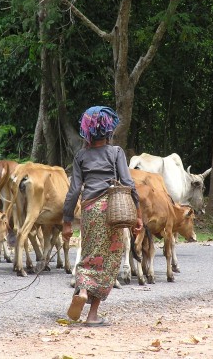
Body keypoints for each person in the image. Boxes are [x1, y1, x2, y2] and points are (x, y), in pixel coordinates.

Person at [62, 105, 143, 326]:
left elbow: (73, 191)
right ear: (108, 131)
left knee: (89, 255)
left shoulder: (80, 156)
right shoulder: (116, 152)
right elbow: (128, 183)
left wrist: (67, 221)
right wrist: (138, 214)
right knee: (109, 260)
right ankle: (92, 315)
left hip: (90, 210)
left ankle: (84, 291)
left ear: (86, 132)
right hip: (113, 211)